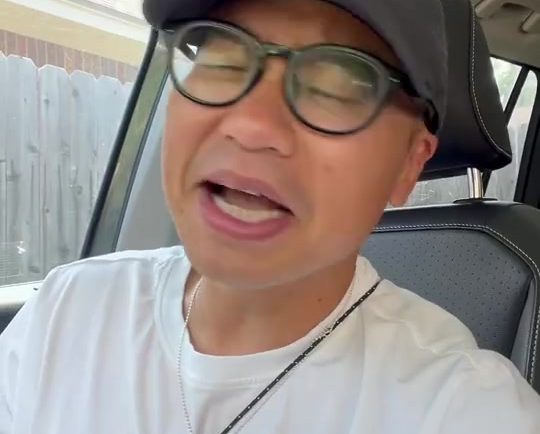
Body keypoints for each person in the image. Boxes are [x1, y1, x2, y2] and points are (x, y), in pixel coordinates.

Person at [1, 0, 540, 432]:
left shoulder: (461, 406)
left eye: (339, 85)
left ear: (407, 165)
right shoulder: (66, 313)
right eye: (222, 57)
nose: (252, 125)